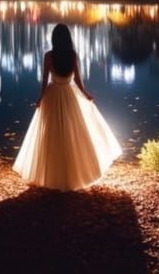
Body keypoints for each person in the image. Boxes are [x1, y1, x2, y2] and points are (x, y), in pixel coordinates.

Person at [13, 23, 122, 191]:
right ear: (68, 39)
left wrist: (41, 97)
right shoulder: (72, 55)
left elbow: (44, 81)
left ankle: (50, 174)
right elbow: (77, 80)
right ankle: (73, 174)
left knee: (51, 134)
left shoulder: (48, 56)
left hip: (53, 95)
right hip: (70, 95)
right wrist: (86, 94)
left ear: (54, 39)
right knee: (72, 133)